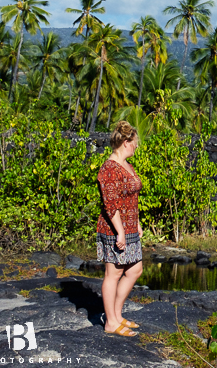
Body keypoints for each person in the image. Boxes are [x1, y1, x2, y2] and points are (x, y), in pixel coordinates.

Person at [96, 121, 144, 336]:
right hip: (114, 228)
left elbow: (131, 197)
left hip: (130, 225)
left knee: (135, 269)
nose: (136, 147)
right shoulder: (109, 168)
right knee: (113, 274)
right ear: (126, 142)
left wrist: (137, 223)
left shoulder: (126, 164)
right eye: (134, 143)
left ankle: (115, 315)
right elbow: (110, 203)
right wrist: (121, 232)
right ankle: (111, 323)